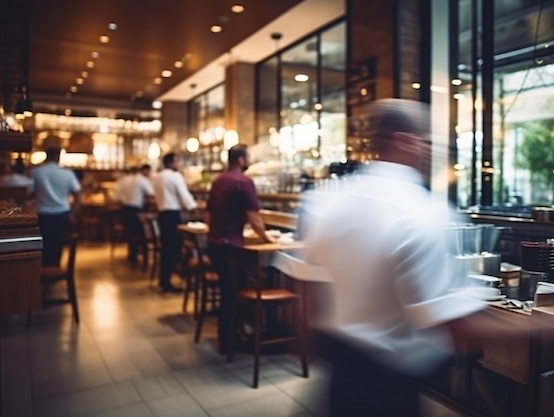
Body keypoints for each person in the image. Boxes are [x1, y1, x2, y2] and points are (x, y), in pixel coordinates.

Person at [299, 99, 535, 417]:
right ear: (404, 140)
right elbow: (456, 328)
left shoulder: (332, 201)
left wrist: (308, 342)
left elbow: (309, 284)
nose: (432, 152)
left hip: (340, 371)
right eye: (428, 142)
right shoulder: (420, 211)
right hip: (388, 388)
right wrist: (540, 329)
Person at [206, 144, 274, 354]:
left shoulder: (219, 180)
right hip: (230, 247)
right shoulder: (244, 182)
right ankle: (232, 340)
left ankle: (230, 337)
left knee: (229, 292)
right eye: (249, 157)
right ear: (241, 160)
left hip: (215, 244)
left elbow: (207, 214)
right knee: (234, 292)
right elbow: (254, 218)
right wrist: (267, 238)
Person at [30, 144, 81, 267]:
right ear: (58, 157)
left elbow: (28, 193)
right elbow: (78, 197)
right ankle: (53, 272)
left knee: (43, 247)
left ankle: (45, 274)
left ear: (47, 155)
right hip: (62, 215)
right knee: (58, 246)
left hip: (42, 215)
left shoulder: (35, 172)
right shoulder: (67, 174)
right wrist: (72, 215)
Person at [153, 152, 197, 293]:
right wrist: (194, 208)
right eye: (177, 161)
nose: (178, 164)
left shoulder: (157, 177)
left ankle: (164, 280)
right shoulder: (175, 176)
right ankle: (168, 283)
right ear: (172, 162)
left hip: (162, 215)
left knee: (167, 249)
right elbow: (185, 196)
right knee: (173, 249)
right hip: (172, 215)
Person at [117, 164, 154, 264]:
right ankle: (142, 256)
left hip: (125, 208)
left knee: (130, 233)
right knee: (140, 234)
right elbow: (151, 193)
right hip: (136, 209)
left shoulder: (125, 180)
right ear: (144, 171)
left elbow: (119, 196)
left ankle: (132, 254)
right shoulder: (141, 180)